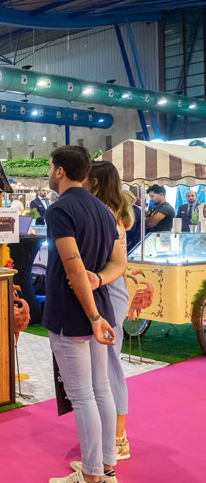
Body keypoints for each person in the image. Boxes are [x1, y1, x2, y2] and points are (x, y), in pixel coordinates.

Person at [43, 146, 126, 483]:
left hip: (75, 314)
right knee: (100, 389)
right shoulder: (104, 210)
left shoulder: (61, 209)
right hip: (98, 309)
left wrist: (92, 314)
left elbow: (74, 267)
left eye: (50, 167)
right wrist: (99, 284)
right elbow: (117, 264)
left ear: (60, 171)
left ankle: (91, 476)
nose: (49, 172)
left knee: (82, 395)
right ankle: (105, 466)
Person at [87, 161, 136, 462]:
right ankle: (114, 434)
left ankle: (118, 437)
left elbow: (113, 264)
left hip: (109, 292)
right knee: (106, 364)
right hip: (111, 291)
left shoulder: (107, 215)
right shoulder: (113, 212)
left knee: (109, 364)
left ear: (95, 182)